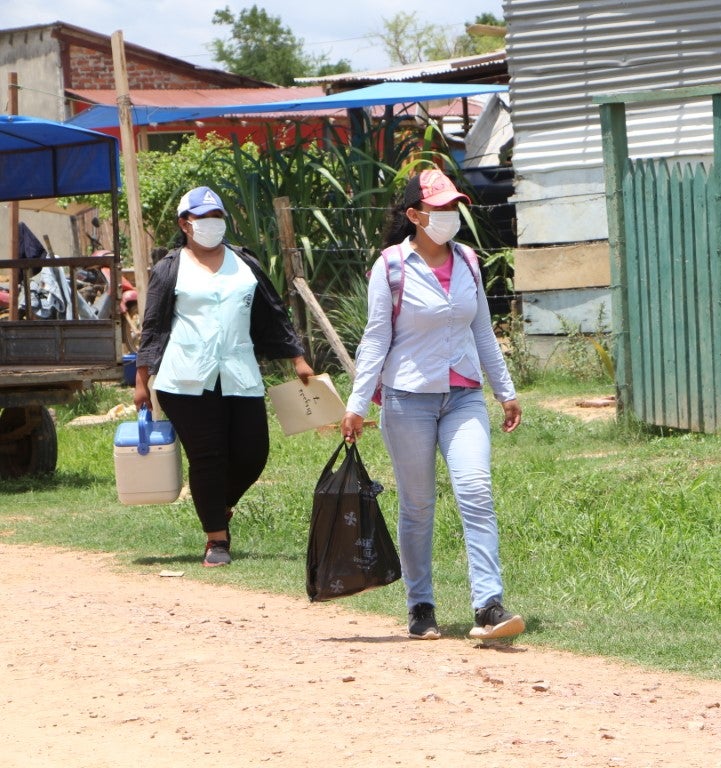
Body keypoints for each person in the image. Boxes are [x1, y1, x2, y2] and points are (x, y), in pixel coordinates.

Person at [340, 168, 524, 641]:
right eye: (439, 208)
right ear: (415, 215)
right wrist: (357, 403)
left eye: (452, 207)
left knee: (476, 492)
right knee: (419, 506)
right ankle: (420, 604)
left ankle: (489, 606)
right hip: (407, 400)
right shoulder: (391, 267)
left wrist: (505, 390)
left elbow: (481, 329)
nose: (448, 216)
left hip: (464, 397)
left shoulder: (467, 261)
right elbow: (376, 337)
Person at [134, 186, 314, 568]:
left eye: (217, 217)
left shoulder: (244, 263)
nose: (212, 224)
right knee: (208, 456)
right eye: (203, 218)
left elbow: (272, 313)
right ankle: (217, 538)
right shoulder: (170, 267)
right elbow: (153, 325)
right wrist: (141, 380)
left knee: (253, 453)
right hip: (185, 379)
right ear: (185, 224)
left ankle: (218, 504)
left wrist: (297, 358)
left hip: (238, 373)